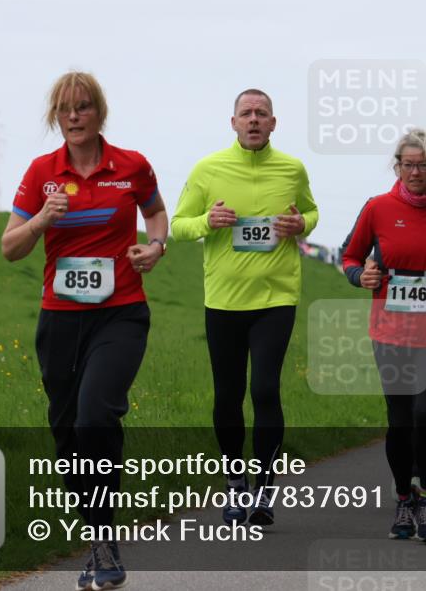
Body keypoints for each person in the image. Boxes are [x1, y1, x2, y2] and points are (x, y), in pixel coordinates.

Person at [2, 71, 166, 591]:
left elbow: (156, 213)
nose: (74, 116)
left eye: (84, 107)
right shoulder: (41, 173)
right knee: (68, 430)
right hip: (61, 318)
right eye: (65, 109)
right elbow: (11, 247)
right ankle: (94, 533)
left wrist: (155, 247)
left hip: (120, 312)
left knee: (97, 413)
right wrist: (41, 221)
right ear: (56, 116)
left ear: (100, 113)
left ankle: (104, 540)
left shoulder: (132, 166)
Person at [171, 89, 319, 527]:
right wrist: (207, 222)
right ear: (233, 122)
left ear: (274, 123)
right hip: (224, 301)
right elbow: (178, 226)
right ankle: (235, 485)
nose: (254, 120)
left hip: (276, 297)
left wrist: (300, 224)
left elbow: (311, 213)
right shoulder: (207, 169)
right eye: (246, 114)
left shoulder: (292, 168)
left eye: (262, 114)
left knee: (266, 390)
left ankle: (264, 492)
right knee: (229, 395)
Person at [341, 128, 426, 543]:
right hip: (391, 325)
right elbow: (349, 255)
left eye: (423, 164)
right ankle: (402, 497)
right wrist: (362, 275)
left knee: (424, 412)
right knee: (398, 419)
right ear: (397, 166)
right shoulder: (378, 208)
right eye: (407, 164)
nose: (415, 172)